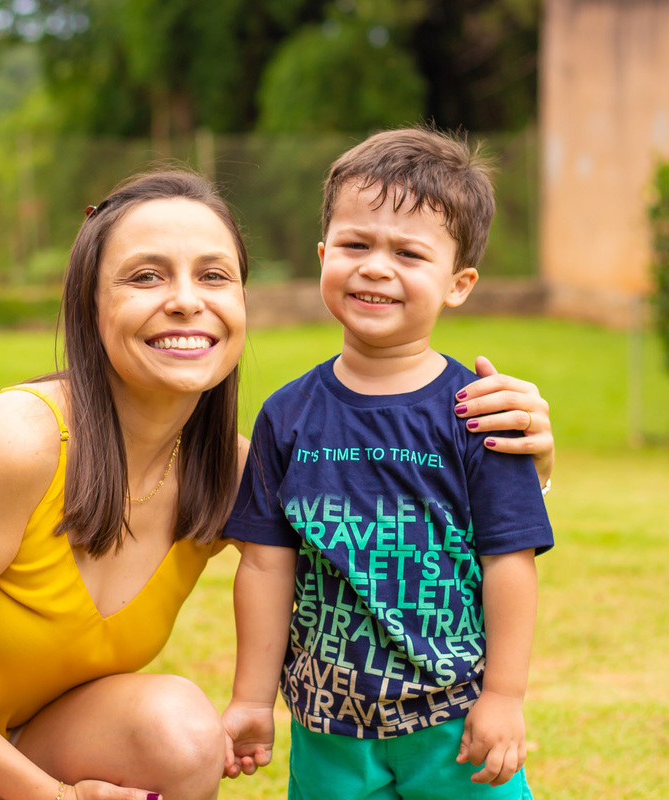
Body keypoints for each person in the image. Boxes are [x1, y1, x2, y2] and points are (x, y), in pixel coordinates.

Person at [0, 169, 555, 800]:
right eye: (145, 276)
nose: (185, 302)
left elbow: (393, 541)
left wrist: (525, 469)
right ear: (90, 304)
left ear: (241, 302)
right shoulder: (20, 441)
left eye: (214, 275)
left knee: (182, 732)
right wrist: (49, 797)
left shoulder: (230, 471)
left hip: (21, 747)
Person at [221, 128, 554, 800]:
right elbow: (263, 564)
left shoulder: (481, 414)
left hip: (454, 720)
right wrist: (253, 700)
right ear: (323, 255)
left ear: (458, 285)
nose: (376, 267)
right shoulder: (286, 416)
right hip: (328, 727)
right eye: (355, 244)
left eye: (408, 252)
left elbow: (509, 561)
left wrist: (505, 696)